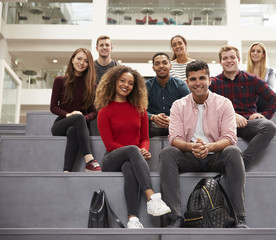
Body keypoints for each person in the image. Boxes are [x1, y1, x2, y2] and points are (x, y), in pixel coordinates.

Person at [160, 60, 247, 228]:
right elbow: (175, 138)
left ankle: (240, 218)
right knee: (167, 153)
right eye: (193, 79)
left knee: (234, 152)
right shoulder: (178, 105)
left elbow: (229, 137)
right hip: (189, 156)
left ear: (210, 80)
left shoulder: (224, 103)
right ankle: (175, 218)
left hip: (216, 155)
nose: (198, 83)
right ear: (187, 82)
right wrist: (192, 147)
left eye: (202, 78)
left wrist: (209, 147)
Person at [95, 65, 171, 229]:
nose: (126, 85)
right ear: (114, 82)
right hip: (111, 159)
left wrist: (143, 149)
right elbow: (109, 144)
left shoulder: (140, 110)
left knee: (130, 167)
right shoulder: (104, 112)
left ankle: (133, 219)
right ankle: (151, 197)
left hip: (132, 159)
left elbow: (144, 138)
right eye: (122, 80)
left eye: (130, 83)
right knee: (131, 150)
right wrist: (135, 150)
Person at [210, 45, 276, 171]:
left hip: (248, 123)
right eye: (225, 58)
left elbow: (275, 99)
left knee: (269, 127)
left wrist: (264, 115)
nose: (229, 60)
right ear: (220, 62)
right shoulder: (213, 83)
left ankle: (242, 163)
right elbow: (206, 106)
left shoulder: (252, 80)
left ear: (239, 60)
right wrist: (232, 115)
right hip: (223, 125)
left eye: (232, 57)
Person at [50, 48, 101, 173]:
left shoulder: (92, 86)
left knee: (73, 130)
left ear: (89, 65)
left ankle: (66, 171)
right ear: (72, 60)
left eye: (86, 61)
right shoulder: (60, 81)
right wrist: (69, 115)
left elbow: (94, 112)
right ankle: (89, 160)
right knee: (77, 118)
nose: (82, 63)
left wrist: (82, 119)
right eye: (79, 59)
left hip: (80, 126)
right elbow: (53, 107)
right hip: (61, 124)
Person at [146, 52, 190, 138]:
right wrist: (152, 117)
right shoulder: (146, 87)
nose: (161, 66)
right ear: (153, 68)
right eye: (157, 64)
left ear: (170, 66)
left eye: (164, 63)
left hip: (176, 126)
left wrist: (173, 118)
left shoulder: (180, 85)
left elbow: (190, 107)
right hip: (151, 127)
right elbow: (139, 109)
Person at [246, 42, 276, 112]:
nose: (255, 53)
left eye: (258, 51)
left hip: (263, 103)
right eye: (253, 51)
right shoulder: (244, 73)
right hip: (248, 105)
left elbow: (269, 90)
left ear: (263, 55)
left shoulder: (269, 71)